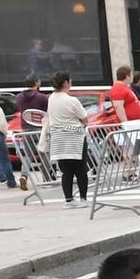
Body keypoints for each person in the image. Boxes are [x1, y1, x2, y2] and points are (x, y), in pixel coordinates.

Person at [45, 73, 91, 206]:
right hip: (74, 137)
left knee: (66, 171)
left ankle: (68, 199)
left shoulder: (51, 98)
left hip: (59, 138)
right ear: (65, 83)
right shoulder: (72, 100)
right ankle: (83, 198)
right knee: (81, 169)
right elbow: (85, 118)